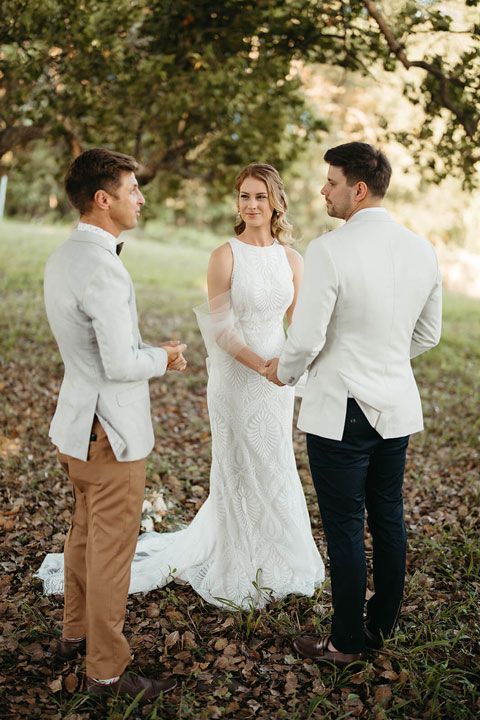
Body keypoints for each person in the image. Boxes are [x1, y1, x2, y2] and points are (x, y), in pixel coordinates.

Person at [84, 162, 324, 609]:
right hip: (237, 378)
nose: (251, 205)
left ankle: (278, 557)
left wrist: (290, 367)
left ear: (275, 202)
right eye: (245, 196)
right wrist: (261, 366)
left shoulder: (293, 259)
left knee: (273, 461)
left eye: (260, 196)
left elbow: (300, 323)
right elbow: (222, 329)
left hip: (278, 381)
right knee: (238, 463)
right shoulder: (224, 255)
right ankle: (237, 558)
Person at [265, 142, 442, 666]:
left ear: (358, 189)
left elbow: (305, 337)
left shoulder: (329, 249)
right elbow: (428, 334)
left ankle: (345, 642)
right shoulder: (422, 249)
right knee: (388, 516)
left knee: (344, 524)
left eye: (331, 182)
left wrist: (285, 372)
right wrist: (383, 356)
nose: (323, 190)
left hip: (342, 407)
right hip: (395, 405)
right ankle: (380, 626)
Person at [39, 148, 186, 700]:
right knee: (111, 550)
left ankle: (74, 633)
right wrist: (166, 357)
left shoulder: (63, 256)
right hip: (109, 434)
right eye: (132, 190)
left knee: (83, 533)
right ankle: (106, 670)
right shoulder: (103, 267)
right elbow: (122, 363)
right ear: (104, 200)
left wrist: (146, 350)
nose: (141, 198)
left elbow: (97, 353)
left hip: (76, 425)